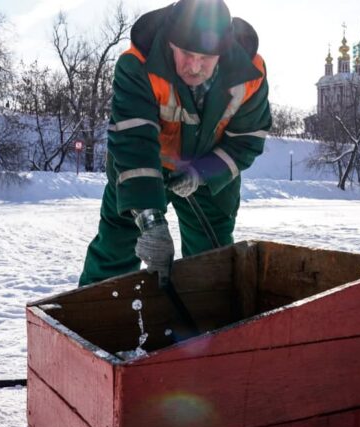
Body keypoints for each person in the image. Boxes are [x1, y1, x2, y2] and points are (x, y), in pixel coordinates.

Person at [79, 0, 271, 286]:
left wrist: (202, 173)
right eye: (186, 53)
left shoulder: (250, 75)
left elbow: (247, 141)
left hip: (208, 175)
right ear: (170, 42)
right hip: (143, 170)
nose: (194, 67)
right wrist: (149, 219)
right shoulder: (137, 65)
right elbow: (133, 141)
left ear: (224, 50)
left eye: (206, 57)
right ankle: (89, 317)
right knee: (117, 246)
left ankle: (212, 325)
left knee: (212, 261)